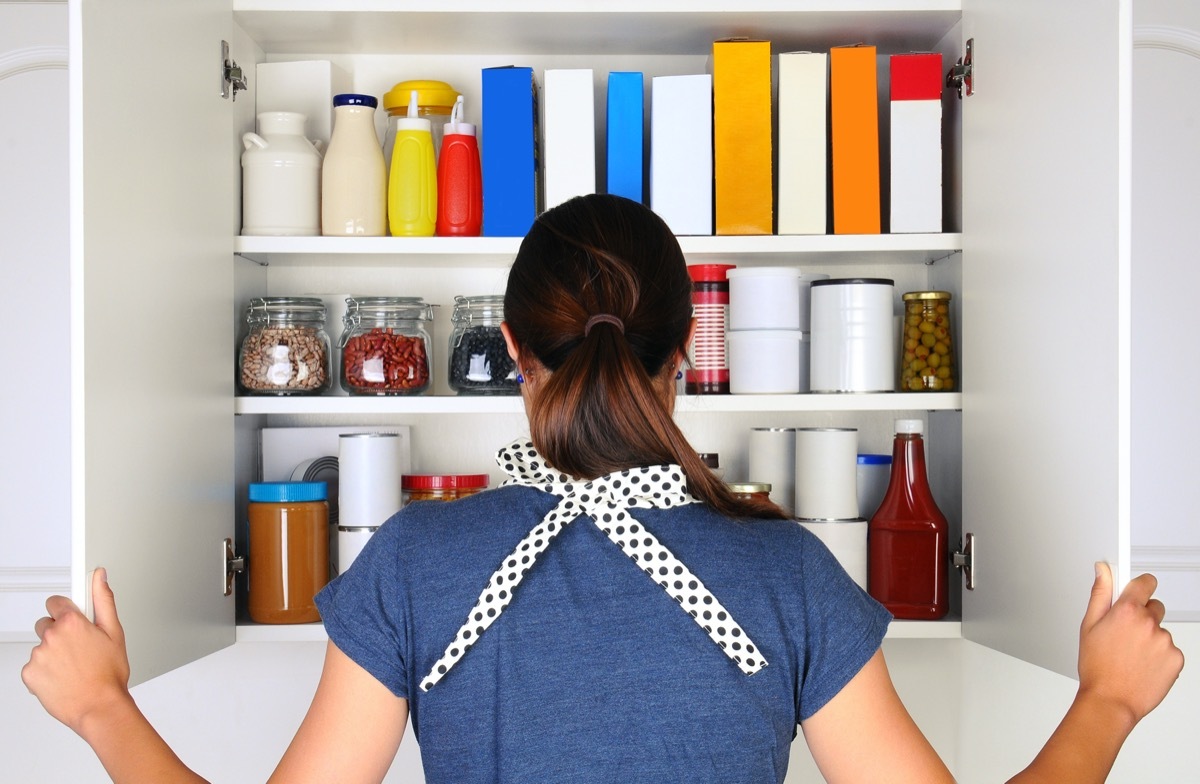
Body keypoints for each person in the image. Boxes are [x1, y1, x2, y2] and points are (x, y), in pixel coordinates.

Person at [23, 194, 1184, 783]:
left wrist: (101, 709)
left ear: (517, 360)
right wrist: (1110, 704)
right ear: (686, 360)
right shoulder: (785, 572)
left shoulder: (419, 562)